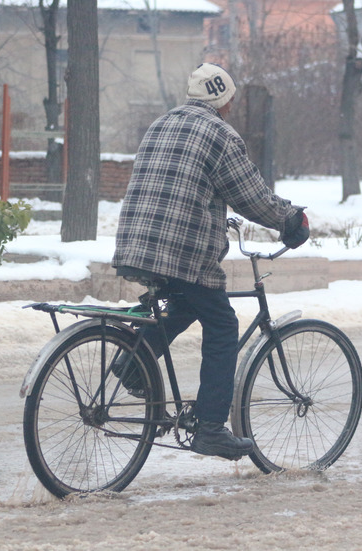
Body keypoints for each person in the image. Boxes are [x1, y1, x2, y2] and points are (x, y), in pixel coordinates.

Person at [111, 63, 310, 460]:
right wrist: (290, 220)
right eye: (231, 100)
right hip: (180, 248)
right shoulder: (220, 134)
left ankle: (133, 362)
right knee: (222, 324)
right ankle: (212, 429)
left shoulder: (162, 123)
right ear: (225, 100)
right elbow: (251, 195)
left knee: (186, 303)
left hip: (136, 242)